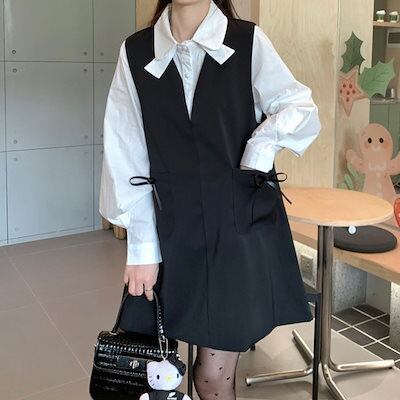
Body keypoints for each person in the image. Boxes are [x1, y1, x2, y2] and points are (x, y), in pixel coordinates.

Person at [99, 0, 322, 398]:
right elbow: (125, 150)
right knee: (157, 371)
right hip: (170, 227)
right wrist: (142, 247)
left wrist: (260, 148)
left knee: (212, 375)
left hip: (235, 227)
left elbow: (299, 106)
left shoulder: (246, 41)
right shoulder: (135, 52)